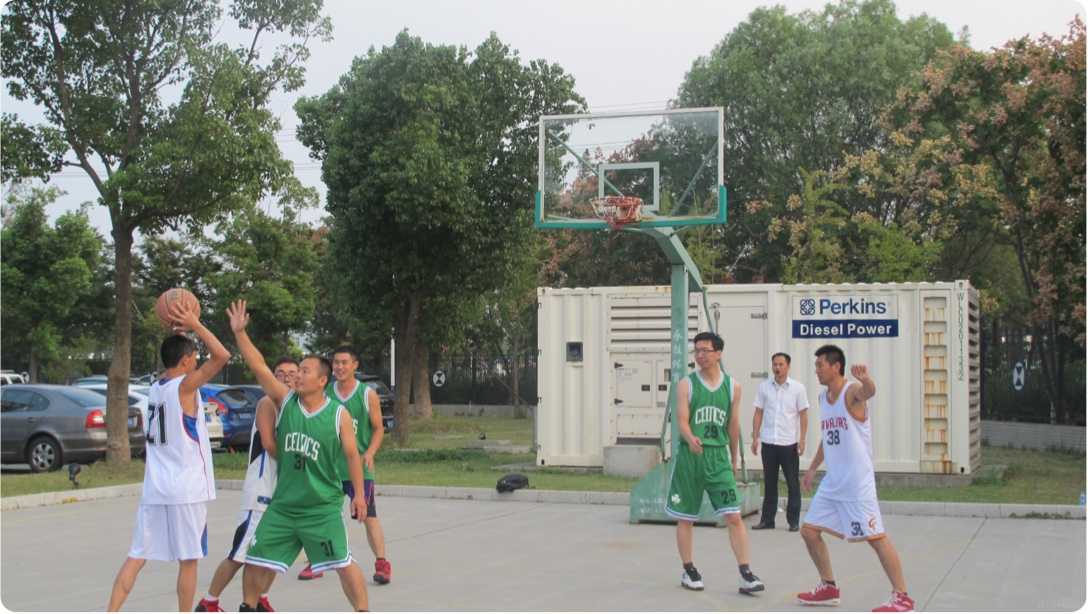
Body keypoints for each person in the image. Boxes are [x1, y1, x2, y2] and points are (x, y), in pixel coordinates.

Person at [227, 300, 370, 612]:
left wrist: (359, 495)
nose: (297, 376)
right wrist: (240, 333)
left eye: (305, 371)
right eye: (297, 370)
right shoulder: (286, 401)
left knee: (343, 563)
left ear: (322, 381)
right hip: (284, 506)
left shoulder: (338, 415)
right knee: (255, 559)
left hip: (321, 508)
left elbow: (352, 456)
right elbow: (259, 366)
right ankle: (248, 607)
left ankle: (362, 610)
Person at [107, 301, 231, 611]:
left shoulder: (155, 387)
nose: (197, 362)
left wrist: (178, 333)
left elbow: (177, 357)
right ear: (187, 361)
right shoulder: (184, 387)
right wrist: (196, 324)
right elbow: (222, 356)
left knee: (136, 556)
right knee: (189, 561)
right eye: (194, 358)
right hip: (185, 490)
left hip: (156, 489)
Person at [796, 344, 914, 612]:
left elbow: (867, 392)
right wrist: (813, 468)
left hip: (857, 484)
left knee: (876, 537)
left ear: (836, 366)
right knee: (809, 531)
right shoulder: (823, 398)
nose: (816, 370)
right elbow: (828, 437)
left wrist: (867, 381)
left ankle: (903, 597)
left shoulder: (851, 392)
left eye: (820, 365)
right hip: (833, 483)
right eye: (815, 366)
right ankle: (828, 587)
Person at [195, 357, 300, 612]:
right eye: (280, 373)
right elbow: (270, 445)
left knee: (271, 554)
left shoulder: (296, 407)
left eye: (292, 373)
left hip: (281, 493)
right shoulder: (267, 403)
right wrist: (300, 461)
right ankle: (209, 602)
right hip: (261, 492)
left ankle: (259, 599)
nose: (286, 378)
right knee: (241, 553)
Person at [665, 331, 764, 595]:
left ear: (718, 353)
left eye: (705, 350)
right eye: (696, 350)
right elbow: (682, 421)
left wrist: (734, 458)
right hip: (691, 458)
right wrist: (690, 437)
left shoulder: (733, 387)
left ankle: (746, 573)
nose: (700, 355)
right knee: (686, 517)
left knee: (734, 515)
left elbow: (733, 425)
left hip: (718, 457)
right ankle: (689, 569)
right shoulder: (686, 385)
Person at [298, 346, 391, 585]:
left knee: (368, 515)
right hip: (328, 468)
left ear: (355, 365)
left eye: (344, 362)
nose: (339, 367)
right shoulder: (325, 392)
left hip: (358, 467)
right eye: (336, 363)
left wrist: (370, 452)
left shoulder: (367, 394)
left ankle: (382, 563)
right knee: (320, 514)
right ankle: (316, 561)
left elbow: (378, 429)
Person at [751, 352, 809, 531]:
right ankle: (767, 520)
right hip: (769, 442)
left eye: (781, 364)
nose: (777, 368)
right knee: (770, 483)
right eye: (775, 364)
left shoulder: (798, 388)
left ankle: (793, 521)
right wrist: (755, 437)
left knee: (792, 483)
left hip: (788, 443)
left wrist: (802, 439)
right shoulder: (764, 387)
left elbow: (803, 415)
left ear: (788, 366)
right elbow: (758, 413)